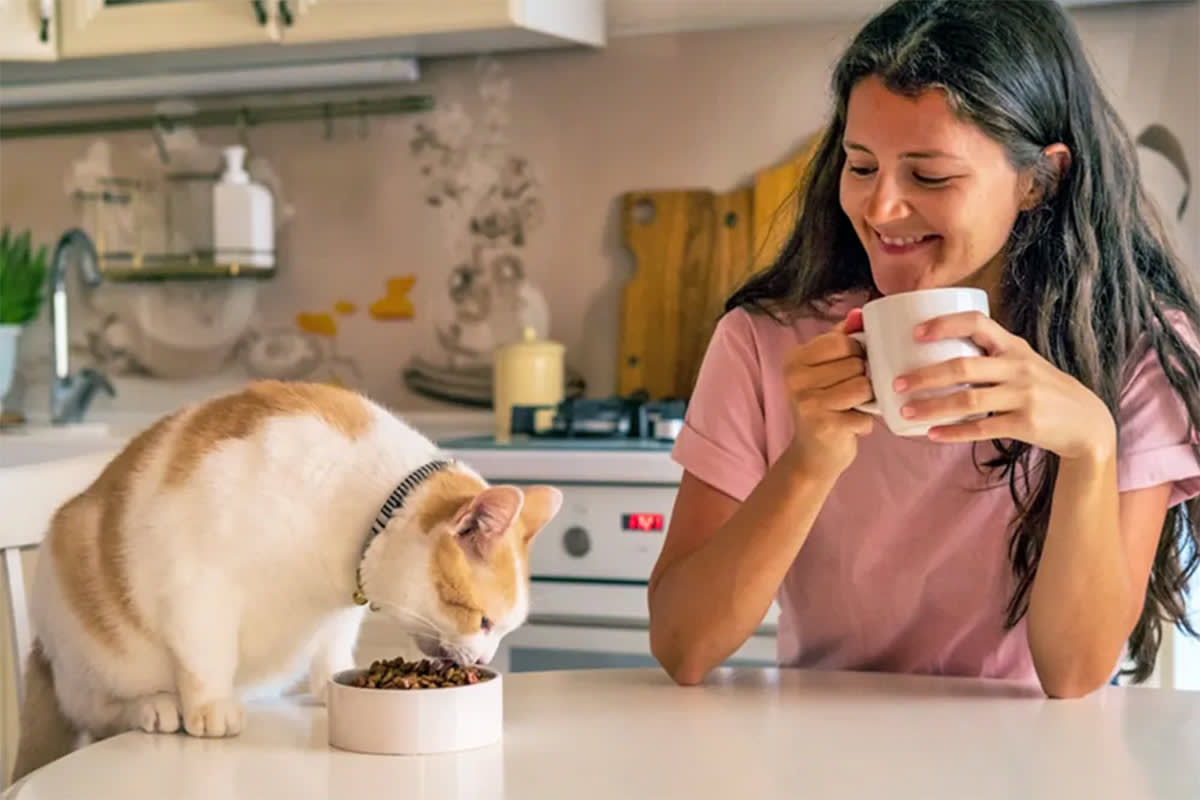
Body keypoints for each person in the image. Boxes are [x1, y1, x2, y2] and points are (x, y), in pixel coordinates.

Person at [647, 0, 1200, 699]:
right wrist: (809, 460)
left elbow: (1075, 673)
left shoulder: (1134, 349)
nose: (880, 209)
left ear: (1040, 179)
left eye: (929, 175)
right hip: (824, 752)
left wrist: (1090, 443)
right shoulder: (764, 339)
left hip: (1031, 760)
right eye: (860, 165)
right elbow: (682, 647)